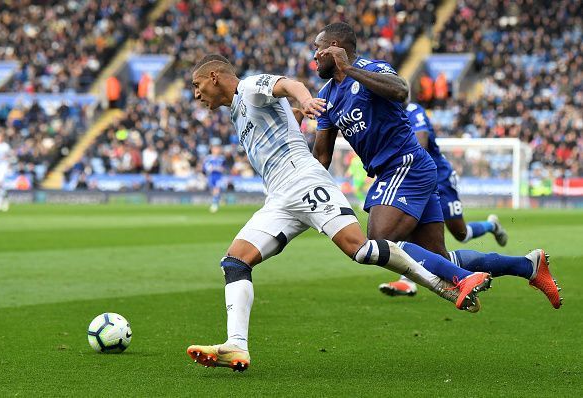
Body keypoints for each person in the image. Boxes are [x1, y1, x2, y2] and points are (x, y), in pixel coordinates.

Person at [186, 54, 492, 372]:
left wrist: (306, 102)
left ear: (214, 77)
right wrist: (294, 113)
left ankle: (443, 284)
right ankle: (236, 345)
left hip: (303, 180)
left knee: (360, 250)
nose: (196, 94)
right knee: (235, 262)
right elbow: (278, 115)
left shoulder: (249, 87)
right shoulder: (239, 110)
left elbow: (290, 84)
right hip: (278, 199)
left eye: (197, 85)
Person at [311, 22, 561, 308]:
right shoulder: (326, 97)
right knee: (438, 258)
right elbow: (322, 157)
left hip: (404, 165)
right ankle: (527, 266)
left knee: (380, 241)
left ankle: (463, 279)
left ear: (335, 48)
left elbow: (400, 91)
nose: (314, 56)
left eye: (319, 48)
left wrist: (350, 70)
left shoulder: (373, 68)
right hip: (402, 171)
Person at [379, 102, 508, 296]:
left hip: (440, 178)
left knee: (461, 233)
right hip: (417, 180)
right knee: (410, 226)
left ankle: (491, 225)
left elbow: (420, 142)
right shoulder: (386, 112)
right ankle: (407, 281)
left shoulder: (413, 110)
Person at [202, 139, 227, 213]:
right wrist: (213, 168)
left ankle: (214, 204)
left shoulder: (222, 158)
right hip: (211, 176)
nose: (217, 150)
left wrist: (219, 169)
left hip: (219, 176)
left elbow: (224, 168)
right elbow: (206, 168)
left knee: (217, 189)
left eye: (218, 148)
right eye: (215, 148)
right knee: (214, 190)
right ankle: (218, 201)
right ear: (212, 149)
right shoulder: (208, 158)